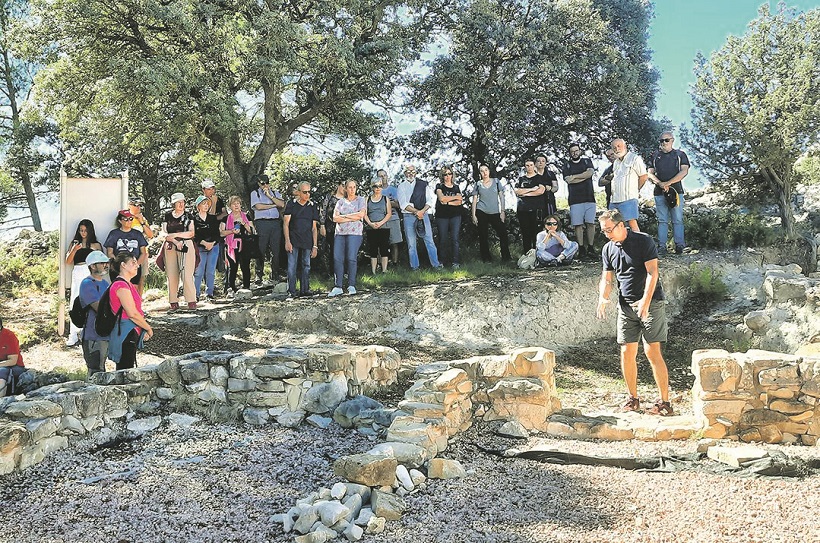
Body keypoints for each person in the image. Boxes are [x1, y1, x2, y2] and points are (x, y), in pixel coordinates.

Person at [596, 209, 672, 416]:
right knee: (626, 351)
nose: (607, 234)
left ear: (621, 225)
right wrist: (603, 298)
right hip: (626, 306)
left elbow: (652, 272)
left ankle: (664, 402)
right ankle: (632, 398)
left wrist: (646, 302)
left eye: (609, 229)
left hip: (651, 303)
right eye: (604, 231)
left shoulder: (643, 241)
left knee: (651, 351)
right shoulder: (608, 249)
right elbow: (607, 278)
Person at [107, 252, 153, 370]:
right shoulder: (121, 286)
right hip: (126, 333)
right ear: (123, 265)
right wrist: (148, 328)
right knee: (125, 371)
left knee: (127, 368)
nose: (137, 265)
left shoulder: (128, 285)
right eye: (133, 262)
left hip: (129, 331)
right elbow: (132, 314)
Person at [648, 131, 690, 255]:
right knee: (662, 220)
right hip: (659, 192)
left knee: (677, 219)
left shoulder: (680, 154)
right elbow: (649, 173)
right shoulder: (654, 155)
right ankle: (662, 246)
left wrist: (668, 183)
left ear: (672, 140)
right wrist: (660, 183)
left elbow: (684, 171)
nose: (663, 143)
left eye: (666, 140)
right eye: (661, 141)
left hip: (676, 191)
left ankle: (680, 246)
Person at [397, 164, 443, 270]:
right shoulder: (401, 186)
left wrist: (421, 212)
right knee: (411, 243)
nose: (411, 173)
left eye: (413, 171)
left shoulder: (423, 185)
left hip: (423, 215)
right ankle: (415, 267)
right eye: (408, 171)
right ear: (405, 173)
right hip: (408, 216)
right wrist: (416, 212)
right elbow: (403, 204)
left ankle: (436, 265)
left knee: (429, 240)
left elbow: (429, 201)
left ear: (416, 173)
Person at [65, 219, 103, 346]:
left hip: (89, 272)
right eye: (81, 230)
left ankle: (88, 331)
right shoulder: (75, 243)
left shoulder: (96, 244)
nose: (83, 233)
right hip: (77, 271)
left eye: (85, 230)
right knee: (75, 301)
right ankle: (73, 334)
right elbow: (68, 261)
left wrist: (93, 250)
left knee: (90, 301)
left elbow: (101, 262)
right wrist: (75, 250)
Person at [329, 179, 366, 296]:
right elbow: (335, 218)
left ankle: (351, 285)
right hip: (340, 233)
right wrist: (352, 217)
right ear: (345, 188)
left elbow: (361, 215)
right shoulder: (340, 202)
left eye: (354, 187)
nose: (352, 189)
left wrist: (344, 217)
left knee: (351, 258)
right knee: (337, 258)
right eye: (349, 187)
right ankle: (338, 286)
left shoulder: (361, 200)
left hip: (355, 233)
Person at [283, 182, 319, 298]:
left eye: (309, 192)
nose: (307, 194)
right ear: (298, 192)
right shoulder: (291, 205)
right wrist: (287, 241)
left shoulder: (312, 206)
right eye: (304, 192)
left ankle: (305, 290)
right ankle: (291, 291)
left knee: (306, 266)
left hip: (307, 240)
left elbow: (314, 228)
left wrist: (315, 245)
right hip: (293, 239)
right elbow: (285, 224)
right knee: (292, 266)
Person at [561, 143, 597, 260]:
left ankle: (591, 248)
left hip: (589, 198)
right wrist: (583, 176)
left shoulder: (587, 161)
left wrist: (575, 177)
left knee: (590, 223)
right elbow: (568, 180)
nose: (575, 153)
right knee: (578, 225)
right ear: (570, 153)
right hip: (575, 200)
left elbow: (590, 173)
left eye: (576, 150)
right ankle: (581, 248)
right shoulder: (566, 165)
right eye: (572, 151)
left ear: (580, 151)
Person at [162, 192, 197, 310]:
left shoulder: (189, 216)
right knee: (172, 274)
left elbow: (191, 233)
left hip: (186, 244)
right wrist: (175, 240)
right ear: (174, 204)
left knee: (187, 273)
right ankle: (173, 300)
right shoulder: (167, 215)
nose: (181, 204)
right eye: (179, 202)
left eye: (183, 202)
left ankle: (191, 300)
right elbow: (164, 233)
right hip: (170, 246)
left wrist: (176, 235)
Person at [78, 250, 111, 376]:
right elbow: (99, 307)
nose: (106, 266)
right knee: (95, 371)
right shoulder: (87, 284)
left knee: (101, 369)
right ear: (92, 266)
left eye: (106, 263)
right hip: (92, 335)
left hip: (105, 333)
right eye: (102, 263)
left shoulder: (105, 283)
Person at [471, 164, 511, 263]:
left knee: (503, 233)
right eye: (481, 171)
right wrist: (473, 215)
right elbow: (474, 200)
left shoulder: (496, 182)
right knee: (483, 235)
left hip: (495, 212)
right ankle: (486, 259)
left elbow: (502, 197)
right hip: (481, 211)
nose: (484, 173)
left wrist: (502, 211)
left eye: (486, 170)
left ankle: (506, 257)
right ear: (479, 173)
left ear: (489, 171)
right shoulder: (478, 184)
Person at [250, 173, 284, 285]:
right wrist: (273, 205)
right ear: (259, 184)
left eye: (267, 183)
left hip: (275, 223)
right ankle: (258, 275)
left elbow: (282, 204)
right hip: (262, 223)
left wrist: (270, 196)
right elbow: (258, 207)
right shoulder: (255, 194)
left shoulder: (275, 193)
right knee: (261, 249)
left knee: (276, 250)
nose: (265, 185)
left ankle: (275, 274)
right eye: (262, 183)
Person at [221, 196, 256, 297]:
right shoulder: (225, 218)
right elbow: (222, 233)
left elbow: (252, 231)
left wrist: (244, 223)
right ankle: (231, 287)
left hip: (245, 244)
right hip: (231, 245)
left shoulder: (246, 216)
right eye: (234, 204)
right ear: (230, 206)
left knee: (245, 266)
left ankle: (246, 287)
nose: (236, 205)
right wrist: (231, 231)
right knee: (232, 267)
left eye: (238, 203)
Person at [609, 138, 647, 233]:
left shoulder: (634, 158)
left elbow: (643, 176)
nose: (616, 149)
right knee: (614, 225)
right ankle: (619, 247)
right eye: (614, 147)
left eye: (619, 146)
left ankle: (639, 245)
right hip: (614, 200)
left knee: (632, 225)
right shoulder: (616, 163)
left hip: (628, 199)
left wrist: (635, 190)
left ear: (625, 146)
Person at [104, 209, 148, 286]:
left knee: (134, 288)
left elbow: (143, 253)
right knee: (118, 288)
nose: (129, 221)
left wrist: (136, 265)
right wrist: (118, 265)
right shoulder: (114, 234)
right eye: (126, 219)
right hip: (118, 268)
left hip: (134, 267)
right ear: (120, 221)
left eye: (131, 219)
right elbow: (109, 252)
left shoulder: (137, 234)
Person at [192, 195, 221, 303]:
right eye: (203, 204)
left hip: (213, 246)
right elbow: (194, 235)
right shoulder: (193, 219)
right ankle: (196, 294)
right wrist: (204, 243)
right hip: (200, 247)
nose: (206, 206)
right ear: (198, 206)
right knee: (199, 271)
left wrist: (212, 243)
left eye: (207, 204)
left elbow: (217, 234)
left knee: (211, 271)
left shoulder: (212, 218)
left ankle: (209, 294)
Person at [515, 158, 547, 251]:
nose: (529, 167)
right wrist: (532, 189)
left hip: (536, 209)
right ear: (525, 167)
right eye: (527, 165)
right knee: (525, 233)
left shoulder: (539, 178)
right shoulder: (521, 179)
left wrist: (525, 194)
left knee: (536, 233)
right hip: (523, 209)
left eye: (531, 165)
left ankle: (538, 254)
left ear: (534, 166)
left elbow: (541, 191)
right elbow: (517, 191)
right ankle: (527, 255)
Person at [434, 166, 463, 269]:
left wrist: (447, 202)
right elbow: (441, 198)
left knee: (455, 239)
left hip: (455, 216)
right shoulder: (439, 186)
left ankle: (455, 262)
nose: (447, 176)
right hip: (442, 216)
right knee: (443, 239)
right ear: (442, 176)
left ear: (452, 175)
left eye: (449, 174)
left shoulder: (456, 187)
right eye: (445, 174)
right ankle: (441, 262)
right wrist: (453, 199)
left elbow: (460, 201)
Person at [364, 178, 392, 274]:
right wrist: (371, 224)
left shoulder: (385, 199)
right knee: (373, 250)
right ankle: (373, 272)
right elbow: (364, 214)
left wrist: (380, 223)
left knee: (384, 249)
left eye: (380, 186)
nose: (378, 188)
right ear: (372, 187)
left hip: (384, 227)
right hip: (371, 229)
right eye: (375, 186)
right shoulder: (367, 199)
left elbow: (389, 214)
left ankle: (384, 270)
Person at [128, 196, 154, 295]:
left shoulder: (142, 219)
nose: (138, 207)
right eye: (136, 205)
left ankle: (139, 303)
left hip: (142, 252)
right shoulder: (126, 218)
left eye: (140, 205)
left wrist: (142, 221)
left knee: (141, 279)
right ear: (129, 205)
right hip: (129, 253)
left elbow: (150, 235)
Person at [200, 178, 228, 273]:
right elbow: (202, 216)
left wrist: (214, 218)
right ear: (203, 190)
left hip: (216, 232)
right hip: (204, 234)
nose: (211, 191)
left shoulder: (218, 199)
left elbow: (224, 213)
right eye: (209, 189)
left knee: (219, 257)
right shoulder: (201, 201)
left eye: (212, 188)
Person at [319, 180, 346, 277]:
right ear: (338, 185)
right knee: (332, 251)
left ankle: (344, 273)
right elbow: (323, 210)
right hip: (330, 228)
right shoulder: (329, 197)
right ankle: (332, 273)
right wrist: (322, 225)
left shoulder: (348, 199)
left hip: (344, 228)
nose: (344, 188)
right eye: (343, 185)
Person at [377, 169, 403, 265]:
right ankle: (381, 265)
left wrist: (384, 202)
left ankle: (395, 263)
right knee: (380, 243)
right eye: (380, 176)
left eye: (384, 175)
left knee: (394, 242)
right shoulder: (376, 191)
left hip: (393, 218)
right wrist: (390, 202)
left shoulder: (394, 190)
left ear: (387, 176)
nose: (383, 178)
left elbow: (398, 204)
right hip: (380, 220)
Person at [0, 316, 25, 396]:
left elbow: (12, 361)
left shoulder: (9, 336)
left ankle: (1, 400)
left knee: (2, 371)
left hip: (15, 366)